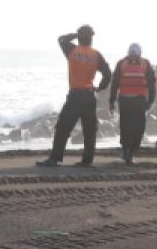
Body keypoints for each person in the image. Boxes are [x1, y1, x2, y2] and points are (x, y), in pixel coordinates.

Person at [37, 25, 112, 167]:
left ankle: (55, 158)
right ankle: (87, 160)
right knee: (89, 130)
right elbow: (107, 73)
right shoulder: (96, 54)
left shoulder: (72, 50)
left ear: (81, 37)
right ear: (91, 38)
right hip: (89, 96)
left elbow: (61, 39)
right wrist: (100, 88)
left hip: (75, 96)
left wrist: (76, 35)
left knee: (63, 128)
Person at [109, 43, 156, 164]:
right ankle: (131, 153)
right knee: (138, 127)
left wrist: (112, 101)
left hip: (125, 100)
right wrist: (150, 101)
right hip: (139, 101)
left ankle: (126, 151)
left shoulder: (122, 63)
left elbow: (114, 84)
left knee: (125, 126)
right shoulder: (145, 64)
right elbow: (151, 84)